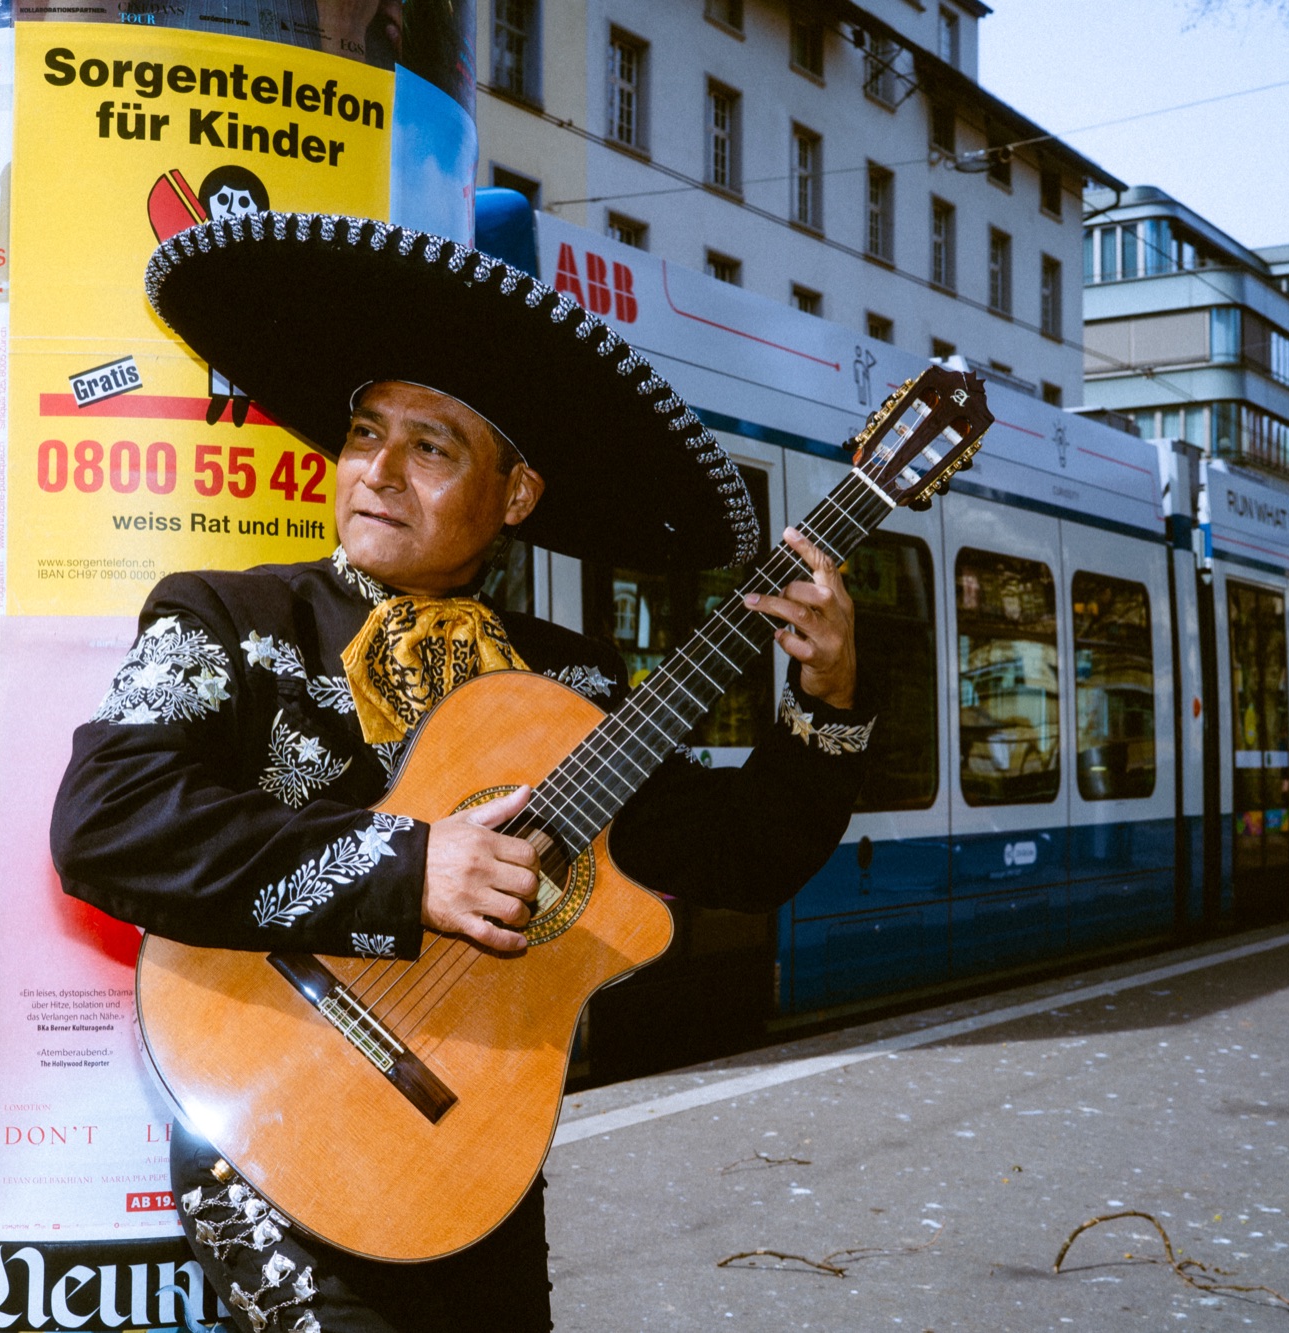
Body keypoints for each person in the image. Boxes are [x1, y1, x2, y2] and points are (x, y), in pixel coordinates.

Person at [50, 212, 878, 1333]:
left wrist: (825, 695)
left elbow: (742, 854)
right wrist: (412, 865)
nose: (378, 472)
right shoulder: (232, 617)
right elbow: (105, 820)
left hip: (475, 1149)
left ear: (516, 494)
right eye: (364, 434)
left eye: (431, 448)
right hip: (275, 1130)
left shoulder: (569, 679)